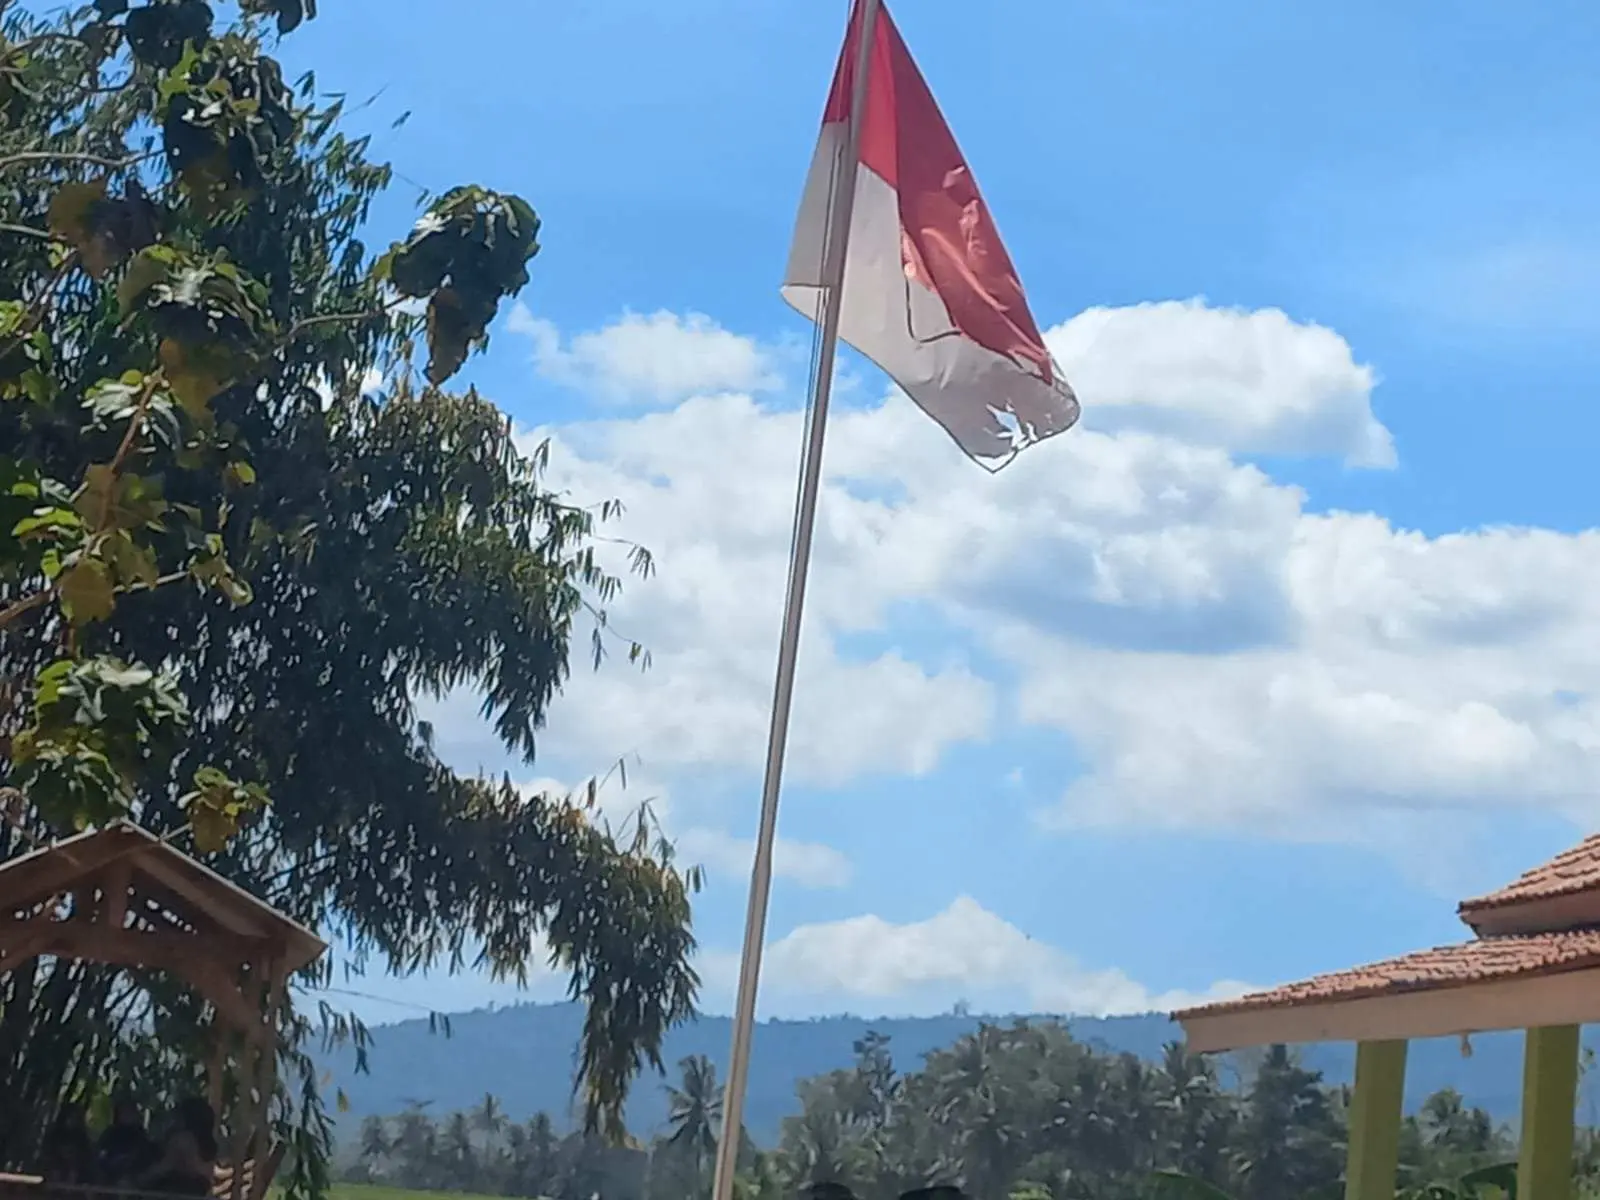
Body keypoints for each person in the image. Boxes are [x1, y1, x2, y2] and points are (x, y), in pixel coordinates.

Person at [138, 1097, 218, 1197]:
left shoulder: (182, 1139)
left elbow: (166, 1166)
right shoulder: (210, 1143)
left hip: (179, 1192)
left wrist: (142, 1179)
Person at [96, 1093, 157, 1185]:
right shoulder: (110, 1133)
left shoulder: (140, 1133)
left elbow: (147, 1154)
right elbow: (101, 1154)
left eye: (132, 1111)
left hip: (137, 1176)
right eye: (126, 1111)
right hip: (111, 1174)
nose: (130, 1114)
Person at [40, 1102, 94, 1184]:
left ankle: (69, 1189)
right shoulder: (55, 1131)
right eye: (69, 1117)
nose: (71, 1120)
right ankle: (54, 1187)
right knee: (55, 1166)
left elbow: (86, 1152)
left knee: (74, 1167)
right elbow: (49, 1147)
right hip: (57, 1159)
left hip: (75, 1163)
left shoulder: (81, 1134)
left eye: (74, 1117)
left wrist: (73, 1153)